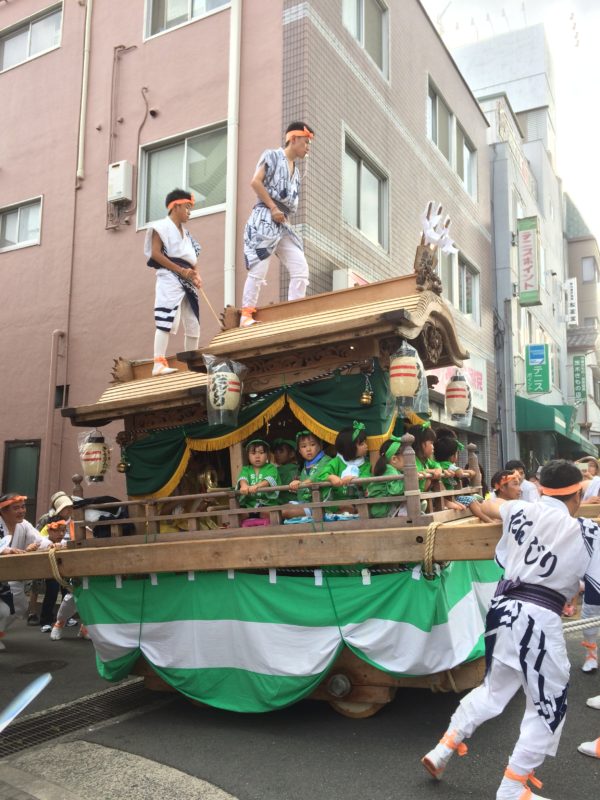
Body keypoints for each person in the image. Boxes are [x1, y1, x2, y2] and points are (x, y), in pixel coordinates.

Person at [421, 459, 600, 800]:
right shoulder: (588, 532)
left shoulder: (518, 510)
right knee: (547, 702)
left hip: (502, 612)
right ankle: (513, 785)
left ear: (541, 488)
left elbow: (490, 504)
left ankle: (444, 748)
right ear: (577, 494)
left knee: (494, 690)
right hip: (538, 619)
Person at [239, 122, 314, 327]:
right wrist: (272, 207)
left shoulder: (297, 173)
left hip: (282, 222)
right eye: (306, 142)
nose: (308, 147)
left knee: (300, 267)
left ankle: (294, 311)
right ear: (294, 138)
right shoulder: (271, 155)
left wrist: (280, 213)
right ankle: (246, 314)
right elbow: (255, 182)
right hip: (265, 215)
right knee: (259, 267)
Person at [144, 188, 202, 376]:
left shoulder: (188, 235)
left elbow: (193, 260)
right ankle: (158, 363)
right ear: (176, 206)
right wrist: (180, 271)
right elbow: (155, 253)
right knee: (166, 317)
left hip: (187, 279)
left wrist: (196, 275)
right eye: (187, 207)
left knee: (193, 322)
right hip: (169, 276)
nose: (189, 212)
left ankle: (191, 364)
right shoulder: (161, 227)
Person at [0, 494, 52, 649]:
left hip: (12, 575)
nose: (22, 511)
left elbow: (39, 540)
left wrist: (50, 545)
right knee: (3, 611)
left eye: (23, 507)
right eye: (16, 508)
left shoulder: (24, 525)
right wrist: (5, 550)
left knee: (21, 607)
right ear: (3, 511)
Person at [434, 435, 492, 522]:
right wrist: (470, 472)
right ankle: (487, 519)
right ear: (452, 456)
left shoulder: (439, 464)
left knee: (474, 500)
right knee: (472, 500)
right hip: (450, 497)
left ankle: (488, 517)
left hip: (450, 496)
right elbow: (460, 473)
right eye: (457, 453)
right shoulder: (447, 465)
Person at [320, 422, 371, 515]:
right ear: (350, 447)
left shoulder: (366, 464)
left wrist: (354, 479)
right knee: (344, 508)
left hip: (359, 502)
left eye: (365, 443)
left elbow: (366, 477)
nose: (366, 446)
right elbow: (322, 474)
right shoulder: (336, 462)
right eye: (362, 444)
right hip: (337, 503)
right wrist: (331, 477)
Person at [282, 431, 331, 521]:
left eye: (312, 444)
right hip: (306, 503)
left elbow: (318, 476)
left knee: (285, 512)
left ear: (320, 446)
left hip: (321, 505)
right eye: (304, 446)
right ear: (300, 451)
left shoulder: (326, 460)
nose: (308, 449)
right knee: (280, 509)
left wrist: (301, 483)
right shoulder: (305, 466)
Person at [237, 440, 280, 516]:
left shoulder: (271, 468)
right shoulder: (246, 469)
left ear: (267, 455)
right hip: (249, 506)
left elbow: (268, 480)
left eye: (261, 453)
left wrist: (257, 486)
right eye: (253, 453)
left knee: (268, 514)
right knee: (238, 514)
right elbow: (243, 479)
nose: (257, 456)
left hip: (268, 505)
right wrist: (244, 486)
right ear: (248, 456)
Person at [367, 437, 406, 518]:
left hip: (384, 507)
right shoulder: (390, 470)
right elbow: (395, 490)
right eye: (406, 457)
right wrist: (409, 481)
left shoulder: (392, 469)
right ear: (394, 459)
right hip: (383, 509)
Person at [272, 438, 299, 504]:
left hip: (286, 503)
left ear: (292, 454)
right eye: (275, 452)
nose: (277, 455)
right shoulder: (298, 468)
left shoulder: (281, 470)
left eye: (281, 451)